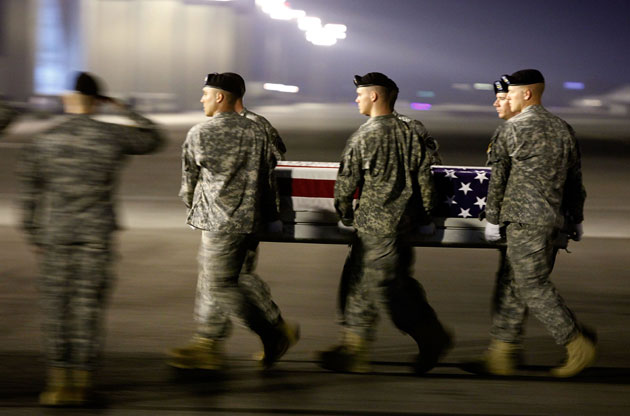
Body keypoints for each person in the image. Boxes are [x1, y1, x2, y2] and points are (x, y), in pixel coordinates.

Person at [18, 72, 165, 406]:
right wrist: (123, 107)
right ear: (99, 101)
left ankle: (57, 382)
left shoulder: (45, 140)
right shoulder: (111, 135)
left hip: (55, 235)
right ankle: (81, 381)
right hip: (96, 235)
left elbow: (29, 196)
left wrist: (34, 233)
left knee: (56, 306)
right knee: (87, 307)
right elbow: (153, 138)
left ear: (67, 99)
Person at [318, 72, 452, 374]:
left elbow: (345, 184)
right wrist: (426, 215)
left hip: (376, 225)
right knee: (362, 281)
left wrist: (346, 214)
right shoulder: (411, 132)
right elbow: (426, 177)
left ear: (375, 96)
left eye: (360, 94)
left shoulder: (364, 136)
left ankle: (431, 336)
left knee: (386, 288)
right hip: (404, 223)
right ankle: (354, 347)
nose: (356, 99)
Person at [167, 72, 299, 372]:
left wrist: (196, 206)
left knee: (217, 282)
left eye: (205, 94)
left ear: (220, 97)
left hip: (220, 218)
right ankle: (216, 340)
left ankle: (263, 334)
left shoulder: (201, 132)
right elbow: (274, 164)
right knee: (239, 277)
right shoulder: (258, 128)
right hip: (252, 217)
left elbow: (188, 185)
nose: (201, 99)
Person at [478, 69, 595, 378]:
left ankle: (576, 342)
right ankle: (502, 354)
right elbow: (575, 181)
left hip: (522, 220)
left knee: (532, 286)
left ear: (527, 94)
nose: (507, 98)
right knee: (513, 284)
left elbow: (497, 181)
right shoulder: (563, 129)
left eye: (512, 93)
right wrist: (576, 218)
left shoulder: (511, 130)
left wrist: (491, 219)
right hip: (552, 220)